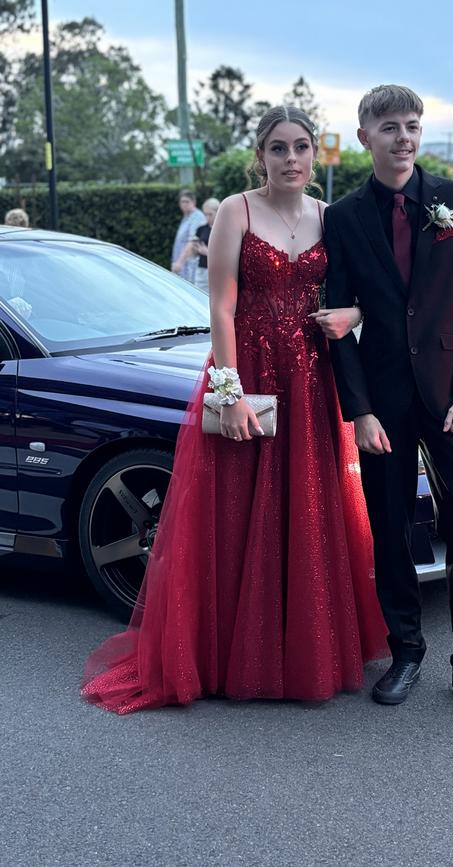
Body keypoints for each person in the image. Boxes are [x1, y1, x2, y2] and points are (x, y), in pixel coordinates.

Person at [81, 106, 387, 714]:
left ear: (314, 154)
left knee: (305, 506)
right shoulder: (235, 210)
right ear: (261, 155)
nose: (292, 159)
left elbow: (360, 297)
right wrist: (231, 390)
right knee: (236, 506)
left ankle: (299, 645)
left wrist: (352, 316)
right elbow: (219, 306)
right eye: (279, 148)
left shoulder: (329, 216)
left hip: (309, 374)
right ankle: (226, 654)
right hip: (245, 364)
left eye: (301, 147)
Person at [324, 84, 453, 716]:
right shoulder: (344, 217)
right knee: (390, 528)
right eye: (389, 127)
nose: (403, 136)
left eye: (412, 125)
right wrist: (357, 409)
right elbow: (337, 322)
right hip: (382, 401)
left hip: (450, 398)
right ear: (365, 137)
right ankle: (405, 651)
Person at [172, 197, 220, 291]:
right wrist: (195, 250)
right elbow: (194, 253)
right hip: (202, 270)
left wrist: (208, 252)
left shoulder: (224, 230)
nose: (207, 218)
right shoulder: (202, 228)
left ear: (218, 212)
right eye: (205, 214)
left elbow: (228, 254)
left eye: (210, 214)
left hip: (218, 271)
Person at [171, 190, 206, 283]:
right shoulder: (187, 216)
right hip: (182, 262)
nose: (184, 204)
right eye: (182, 201)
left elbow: (192, 241)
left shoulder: (197, 216)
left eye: (187, 201)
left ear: (194, 202)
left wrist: (179, 263)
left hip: (189, 263)